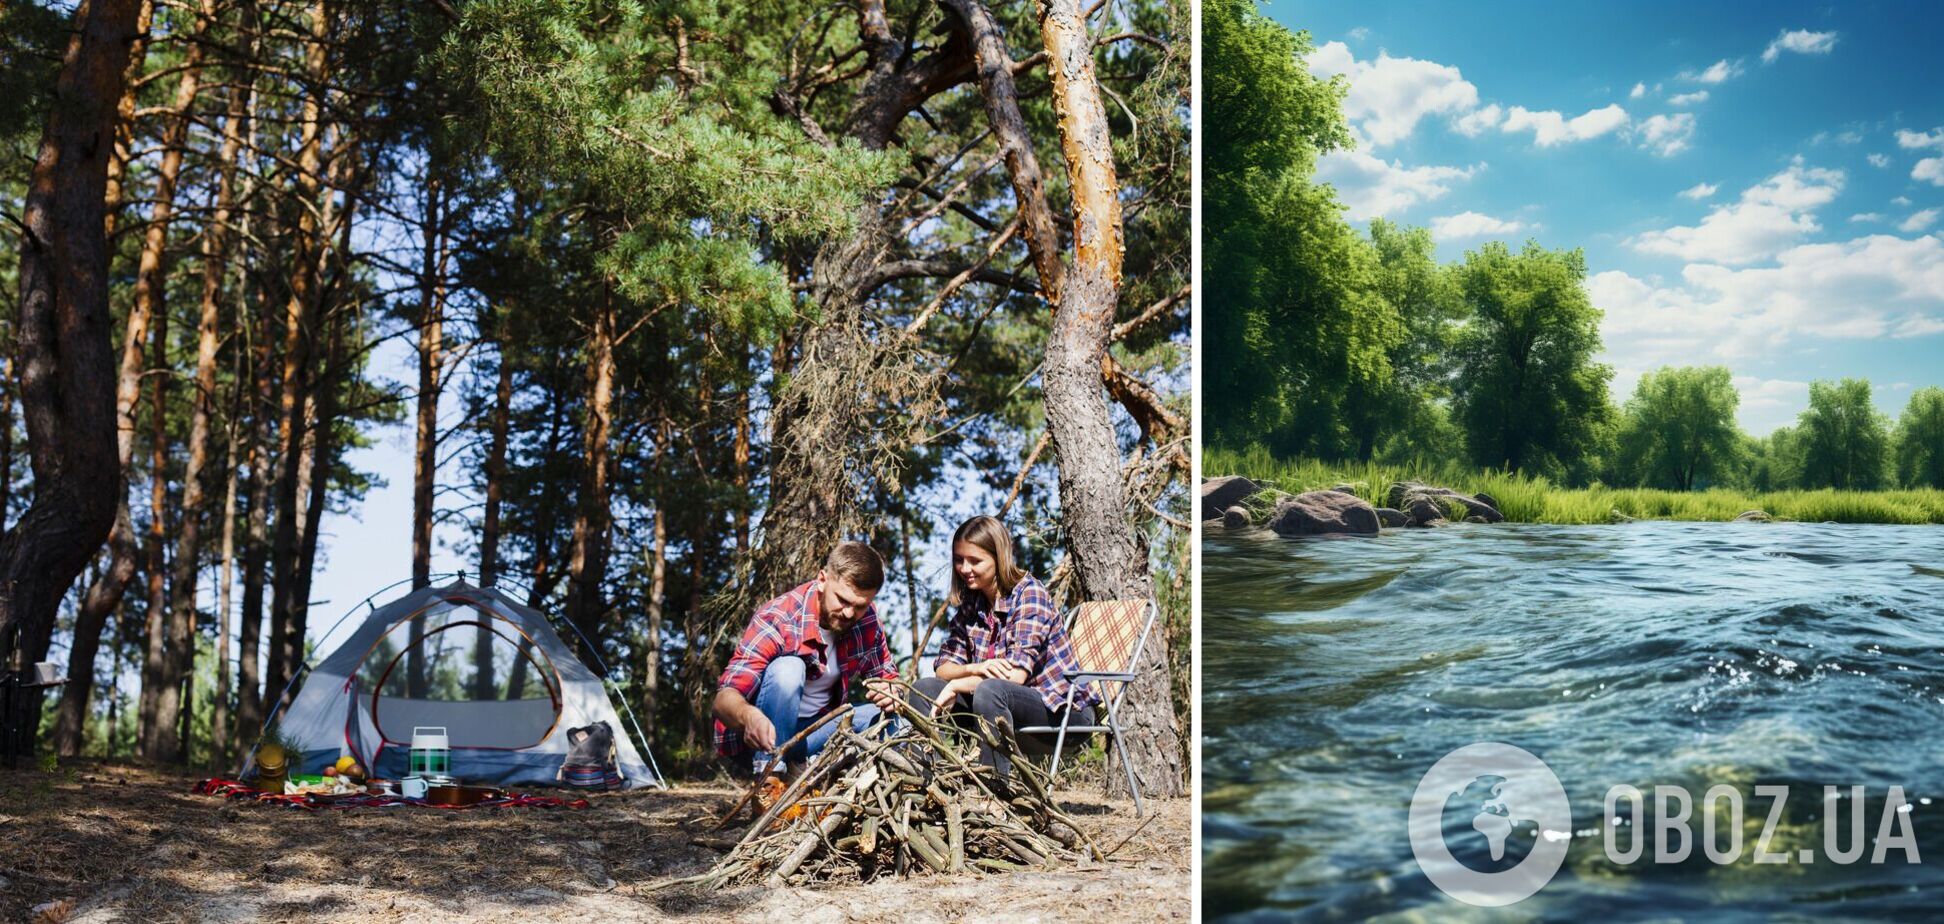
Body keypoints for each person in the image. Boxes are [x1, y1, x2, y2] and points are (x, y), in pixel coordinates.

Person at [913, 515, 1096, 779]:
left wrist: (956, 685)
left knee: (990, 690)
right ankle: (930, 783)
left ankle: (995, 787)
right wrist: (976, 668)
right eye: (959, 559)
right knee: (924, 689)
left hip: (1062, 713)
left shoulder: (1029, 594)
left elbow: (1015, 676)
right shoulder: (973, 602)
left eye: (975, 561)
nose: (965, 568)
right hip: (999, 709)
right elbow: (943, 667)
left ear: (999, 558)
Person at [713, 542, 902, 778]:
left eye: (860, 606)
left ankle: (815, 769)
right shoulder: (779, 617)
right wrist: (749, 717)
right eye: (842, 600)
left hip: (815, 732)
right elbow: (724, 699)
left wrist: (891, 693)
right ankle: (771, 778)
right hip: (760, 739)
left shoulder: (866, 621)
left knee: (897, 723)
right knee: (788, 669)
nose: (849, 613)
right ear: (822, 579)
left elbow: (889, 678)